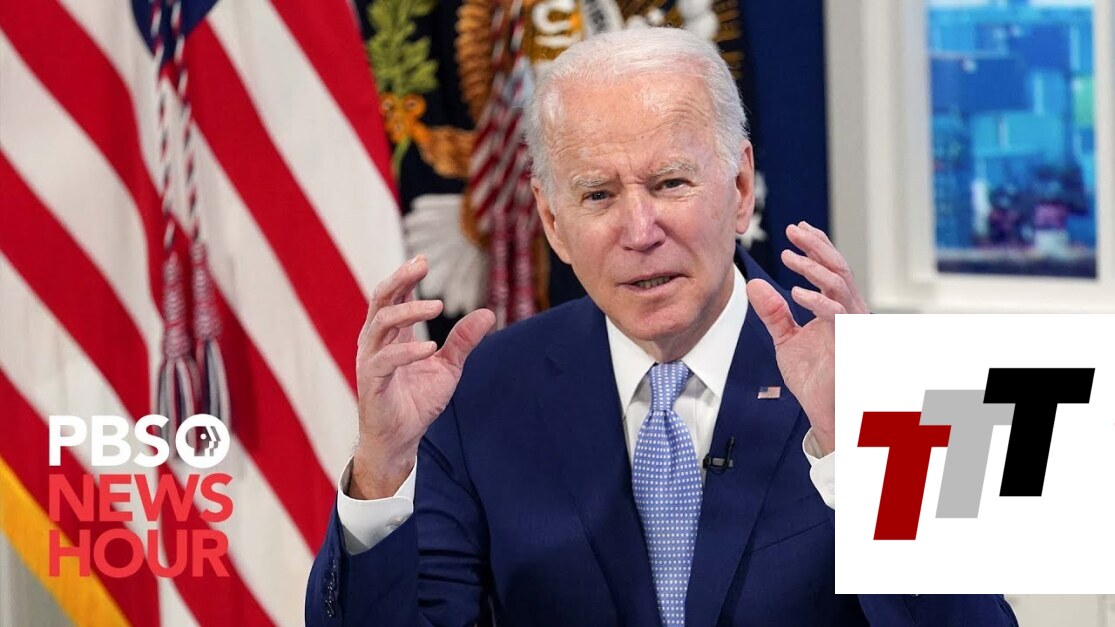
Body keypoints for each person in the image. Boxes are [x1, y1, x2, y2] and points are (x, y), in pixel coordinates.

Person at [306, 27, 1017, 626]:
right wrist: (381, 470)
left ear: (740, 188)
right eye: (597, 194)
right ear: (552, 220)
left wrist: (863, 453)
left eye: (670, 183)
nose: (639, 230)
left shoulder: (881, 374)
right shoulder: (480, 391)